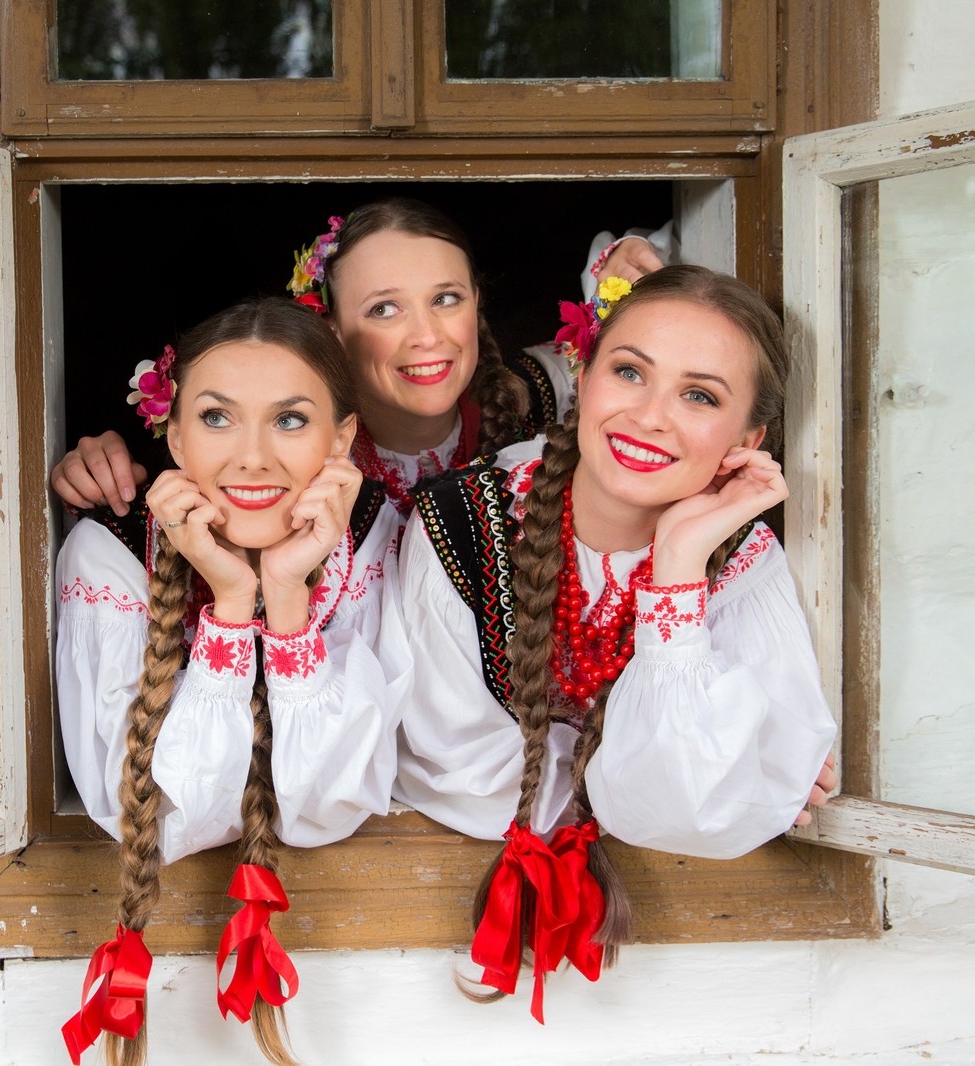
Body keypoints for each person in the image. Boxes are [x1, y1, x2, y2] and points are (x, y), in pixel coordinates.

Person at [384, 265, 839, 1021]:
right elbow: (455, 774)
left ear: (747, 440)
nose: (651, 416)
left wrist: (678, 569)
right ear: (585, 374)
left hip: (680, 1000)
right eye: (629, 372)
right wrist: (719, 766)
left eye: (700, 396)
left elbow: (694, 808)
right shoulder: (463, 520)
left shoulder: (740, 556)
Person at [57, 298, 399, 1066]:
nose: (252, 458)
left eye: (290, 420)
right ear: (175, 436)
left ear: (341, 439)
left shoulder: (373, 539)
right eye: (217, 418)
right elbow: (164, 818)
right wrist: (231, 603)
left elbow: (326, 806)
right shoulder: (106, 554)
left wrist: (286, 596)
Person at [51, 198, 550, 526]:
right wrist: (98, 476)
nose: (426, 335)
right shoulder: (285, 454)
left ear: (477, 301)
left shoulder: (544, 410)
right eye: (383, 309)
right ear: (332, 329)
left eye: (446, 299)